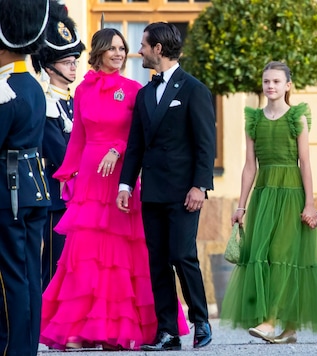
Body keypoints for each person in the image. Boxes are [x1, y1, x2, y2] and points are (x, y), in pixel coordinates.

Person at [40, 28, 188, 351]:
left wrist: (117, 149)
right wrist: (67, 174)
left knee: (121, 257)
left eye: (123, 48)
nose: (120, 54)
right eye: (113, 49)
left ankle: (123, 331)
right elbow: (78, 136)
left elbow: (141, 137)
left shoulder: (135, 90)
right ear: (100, 52)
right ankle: (79, 330)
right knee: (86, 255)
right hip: (90, 181)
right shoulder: (82, 92)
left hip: (121, 177)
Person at [117, 22, 215, 351]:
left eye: (143, 45)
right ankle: (168, 332)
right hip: (153, 191)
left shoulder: (194, 90)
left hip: (185, 191)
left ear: (158, 49)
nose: (139, 50)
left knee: (182, 255)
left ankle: (201, 321)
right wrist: (126, 185)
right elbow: (135, 146)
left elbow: (206, 144)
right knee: (157, 260)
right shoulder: (144, 94)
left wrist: (200, 186)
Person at [220, 61, 317, 344]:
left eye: (276, 81)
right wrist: (241, 205)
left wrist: (309, 204)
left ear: (288, 85)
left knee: (284, 255)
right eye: (266, 81)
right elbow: (249, 167)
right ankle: (287, 328)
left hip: (292, 194)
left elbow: (305, 163)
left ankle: (272, 322)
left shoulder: (298, 117)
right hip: (264, 195)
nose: (270, 86)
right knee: (264, 255)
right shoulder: (254, 120)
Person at [0, 1, 51, 355]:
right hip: (33, 188)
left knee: (10, 279)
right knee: (30, 277)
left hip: (9, 191)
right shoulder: (30, 84)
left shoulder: (5, 89)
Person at [31, 2, 85, 291]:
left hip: (81, 197)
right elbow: (62, 154)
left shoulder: (73, 102)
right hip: (57, 197)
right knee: (54, 264)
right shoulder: (46, 104)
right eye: (67, 62)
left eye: (75, 60)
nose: (74, 66)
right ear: (49, 66)